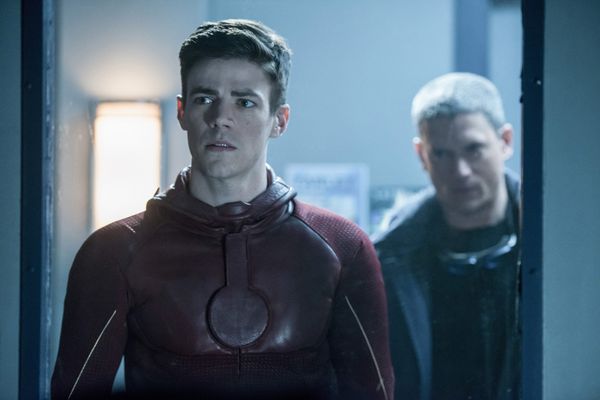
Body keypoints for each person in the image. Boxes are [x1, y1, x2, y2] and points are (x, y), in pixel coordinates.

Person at [52, 19, 393, 400]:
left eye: (244, 102)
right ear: (182, 112)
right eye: (204, 99)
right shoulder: (114, 252)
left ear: (279, 121)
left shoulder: (342, 247)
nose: (220, 119)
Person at [373, 72, 520, 400]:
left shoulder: (554, 244)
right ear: (422, 155)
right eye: (441, 154)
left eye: (474, 149)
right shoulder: (388, 258)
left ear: (505, 142)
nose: (460, 171)